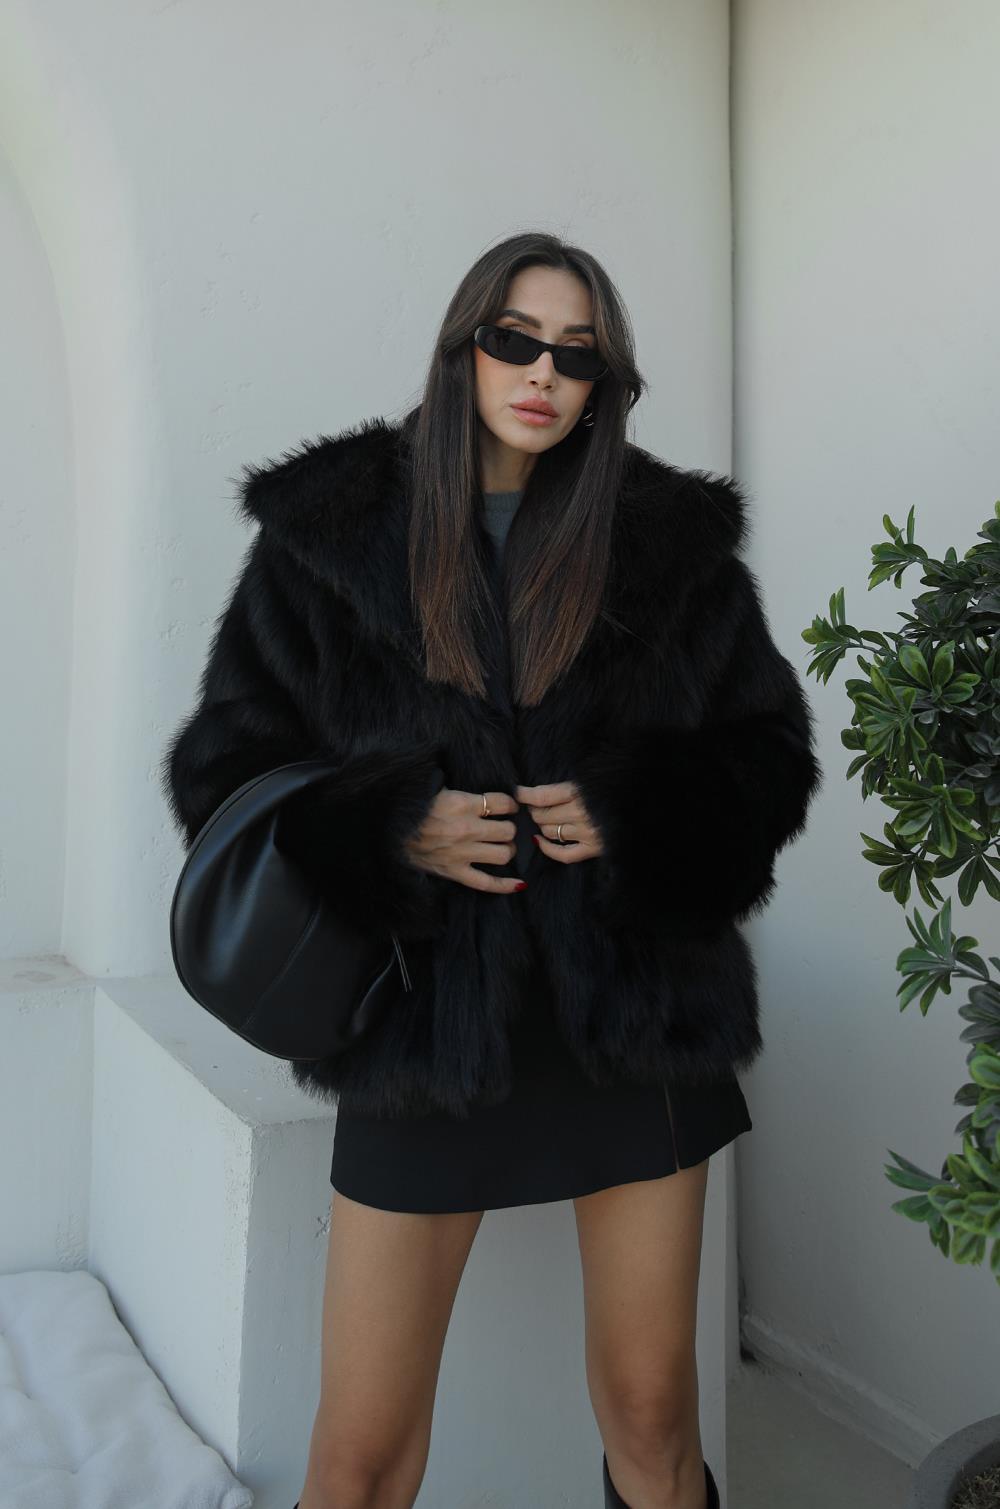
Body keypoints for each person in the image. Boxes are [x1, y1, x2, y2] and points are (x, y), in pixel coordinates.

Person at [162, 230, 821, 1509]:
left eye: (577, 355)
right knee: (358, 1456)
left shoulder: (668, 546)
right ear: (464, 347)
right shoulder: (331, 540)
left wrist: (635, 810)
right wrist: (390, 826)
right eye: (516, 339)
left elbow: (767, 753)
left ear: (604, 384)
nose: (542, 374)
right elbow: (223, 767)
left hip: (633, 1017)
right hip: (420, 1019)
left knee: (651, 1417)